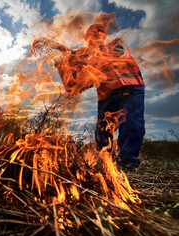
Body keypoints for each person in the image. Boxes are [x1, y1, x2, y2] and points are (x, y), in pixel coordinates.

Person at [33, 24, 145, 171]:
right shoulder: (89, 60)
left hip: (131, 87)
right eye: (90, 37)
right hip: (107, 95)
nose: (93, 38)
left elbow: (112, 56)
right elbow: (73, 87)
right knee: (102, 132)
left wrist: (75, 55)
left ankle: (127, 163)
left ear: (104, 36)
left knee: (132, 123)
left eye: (97, 35)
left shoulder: (117, 43)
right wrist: (63, 63)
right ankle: (107, 165)